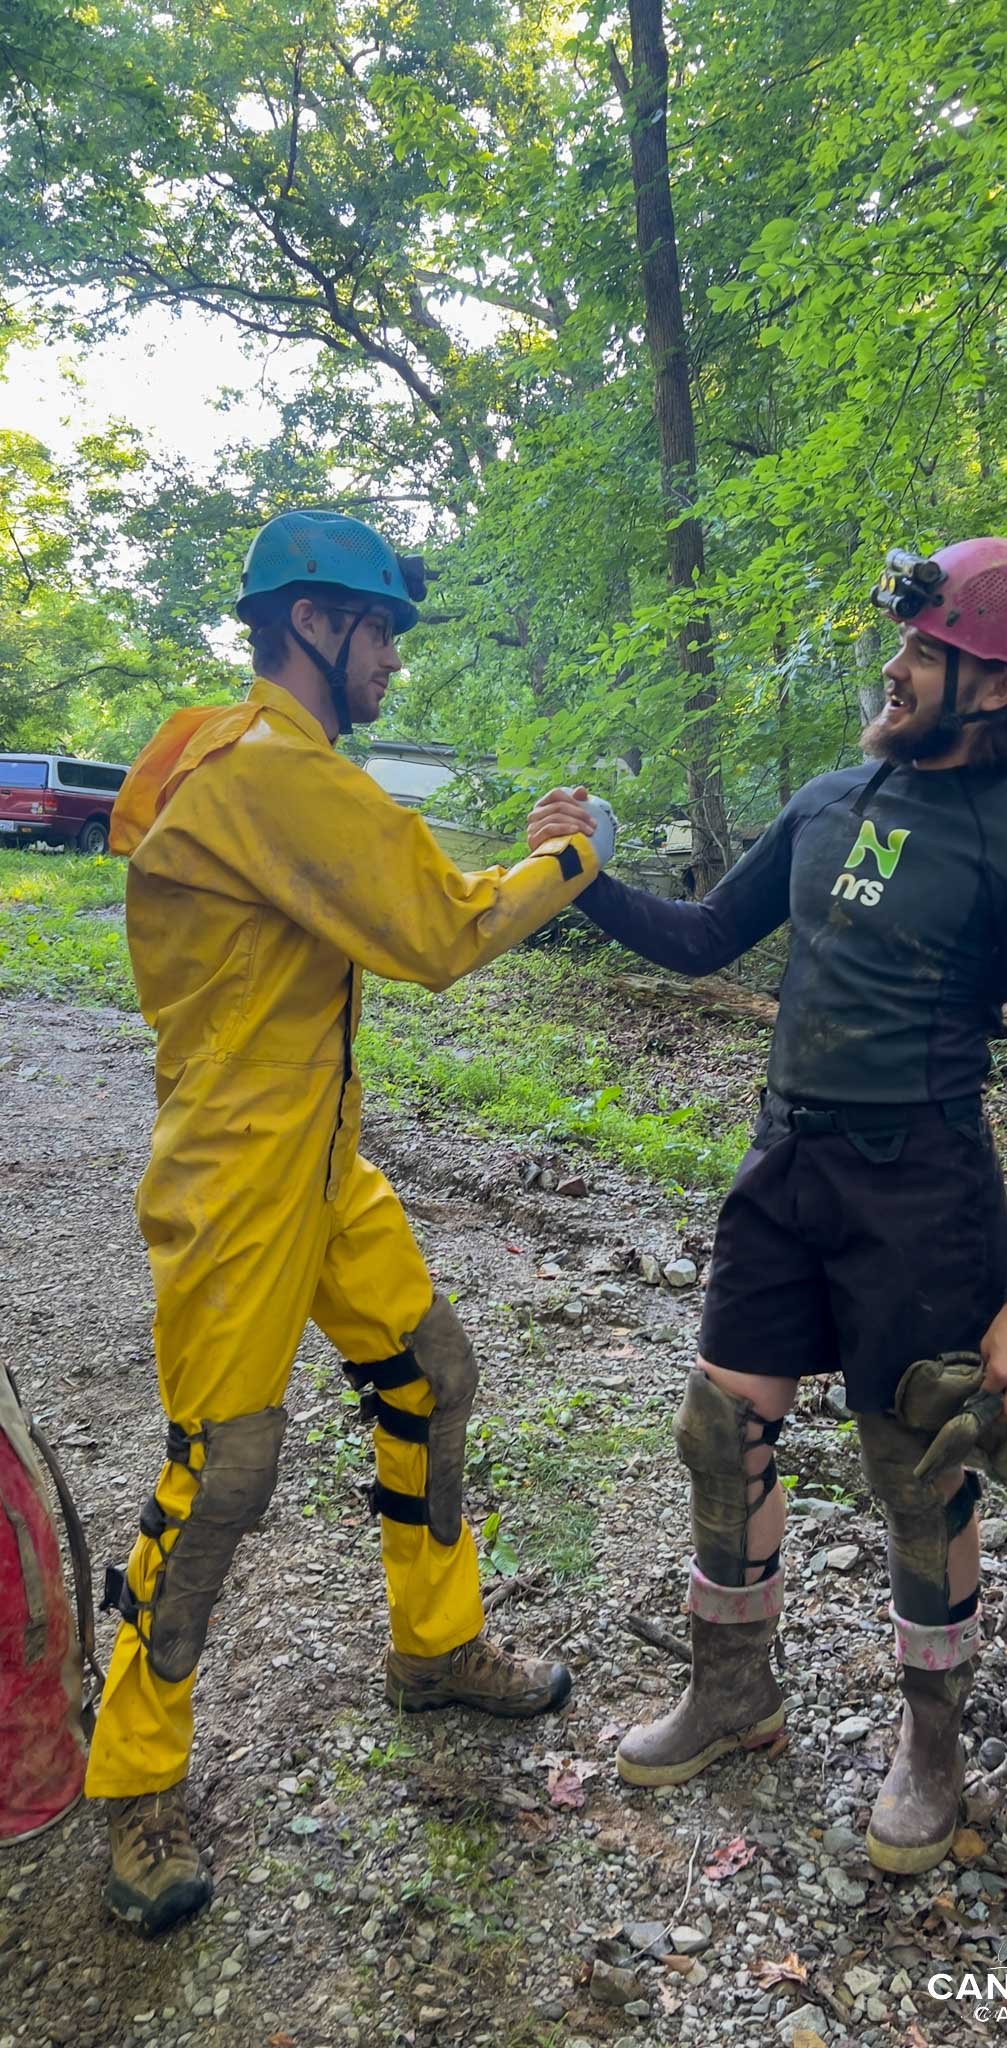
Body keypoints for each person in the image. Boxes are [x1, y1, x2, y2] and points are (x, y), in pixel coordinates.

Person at [528, 538, 1007, 1876]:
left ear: (1001, 688)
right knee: (721, 1429)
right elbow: (702, 935)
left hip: (927, 1197)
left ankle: (933, 1748)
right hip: (787, 1168)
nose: (892, 668)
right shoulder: (834, 796)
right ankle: (736, 1692)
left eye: (923, 652)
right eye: (902, 645)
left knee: (921, 1470)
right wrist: (584, 876)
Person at [87, 509, 611, 1934]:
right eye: (380, 631)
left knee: (433, 1378)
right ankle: (132, 1779)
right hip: (236, 1181)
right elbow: (443, 930)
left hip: (321, 1165)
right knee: (224, 1476)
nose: (392, 659)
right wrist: (570, 857)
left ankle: (435, 1647)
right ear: (315, 626)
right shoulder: (275, 773)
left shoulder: (259, 763)